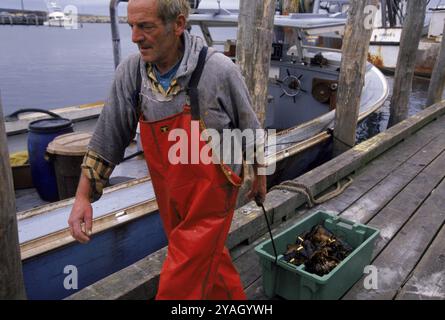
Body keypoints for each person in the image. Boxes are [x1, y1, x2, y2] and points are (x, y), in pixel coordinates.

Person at [68, 0, 266, 300]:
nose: (135, 37)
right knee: (207, 264)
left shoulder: (218, 70)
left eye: (146, 26)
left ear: (178, 25)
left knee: (181, 279)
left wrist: (260, 176)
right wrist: (83, 196)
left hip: (213, 195)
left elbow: (251, 129)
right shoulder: (131, 74)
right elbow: (109, 136)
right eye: (131, 26)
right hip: (170, 191)